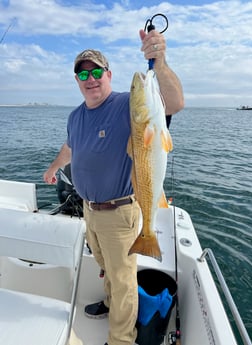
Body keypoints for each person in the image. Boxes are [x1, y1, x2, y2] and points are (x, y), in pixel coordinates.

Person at [43, 28, 184, 345]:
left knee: (123, 280)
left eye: (96, 72)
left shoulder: (126, 105)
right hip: (89, 211)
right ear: (77, 81)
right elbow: (70, 147)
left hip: (119, 213)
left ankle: (121, 338)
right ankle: (110, 305)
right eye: (83, 74)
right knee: (107, 268)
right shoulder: (75, 116)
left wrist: (158, 63)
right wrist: (54, 167)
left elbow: (174, 103)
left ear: (108, 74)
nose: (90, 79)